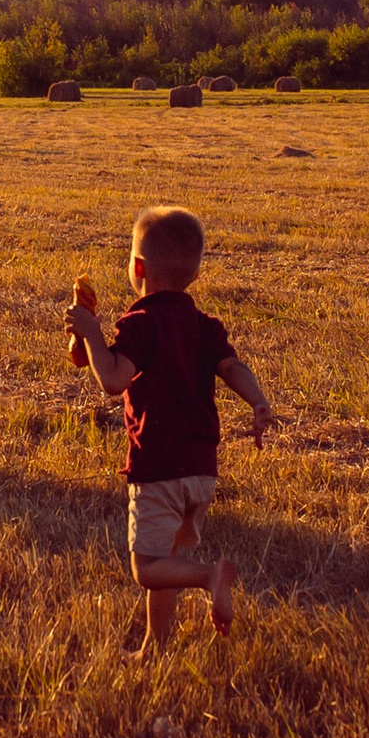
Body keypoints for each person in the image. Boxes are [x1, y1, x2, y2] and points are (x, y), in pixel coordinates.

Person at [65, 205, 278, 653]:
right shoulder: (203, 325)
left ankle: (208, 576)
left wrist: (91, 332)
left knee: (147, 567)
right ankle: (155, 644)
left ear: (137, 268)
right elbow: (232, 366)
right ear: (195, 275)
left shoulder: (141, 322)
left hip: (159, 467)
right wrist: (258, 401)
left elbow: (113, 380)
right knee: (170, 560)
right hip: (201, 473)